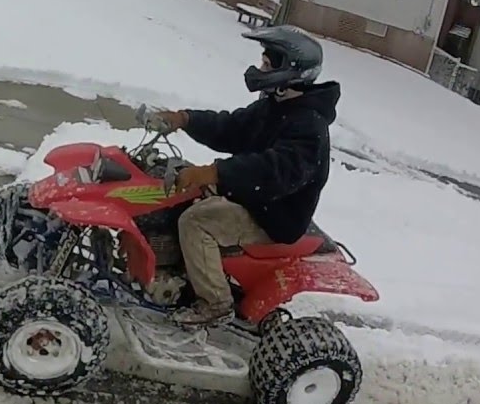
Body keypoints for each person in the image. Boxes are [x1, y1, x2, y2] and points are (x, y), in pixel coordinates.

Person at [145, 25, 340, 327]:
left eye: (268, 63)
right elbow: (232, 127)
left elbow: (273, 171)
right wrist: (185, 119)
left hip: (273, 215)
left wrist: (214, 173)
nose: (260, 68)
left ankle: (215, 304)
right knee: (178, 198)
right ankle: (174, 272)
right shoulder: (277, 106)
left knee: (195, 221)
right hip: (253, 198)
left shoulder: (309, 125)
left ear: (291, 70)